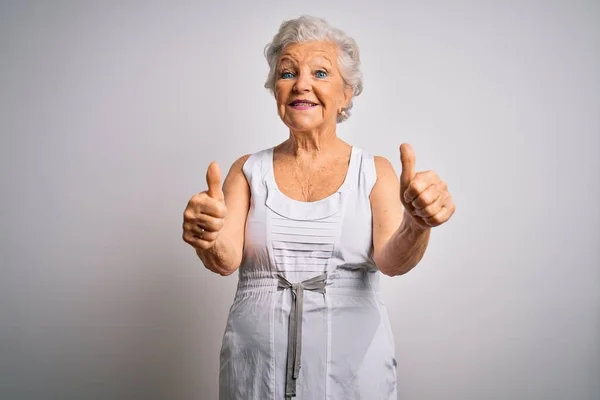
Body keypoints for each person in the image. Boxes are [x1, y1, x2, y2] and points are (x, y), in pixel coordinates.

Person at [182, 15, 455, 400]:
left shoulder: (374, 171)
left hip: (353, 375)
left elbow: (393, 261)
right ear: (275, 89)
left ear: (347, 94)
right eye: (287, 72)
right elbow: (225, 259)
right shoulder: (247, 170)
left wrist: (417, 223)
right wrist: (205, 237)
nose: (302, 85)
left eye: (321, 73)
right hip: (255, 372)